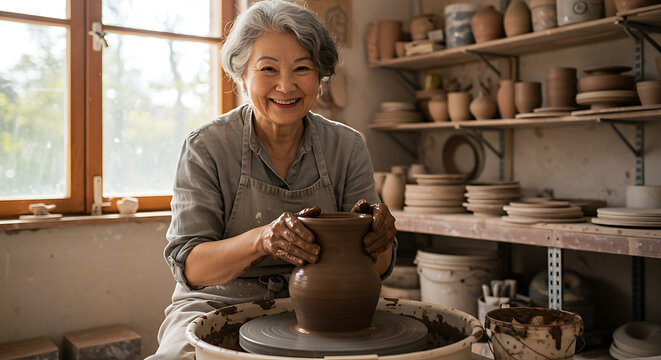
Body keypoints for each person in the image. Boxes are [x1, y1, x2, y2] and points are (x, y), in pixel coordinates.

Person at [147, 1, 397, 358]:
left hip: (322, 307)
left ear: (320, 77)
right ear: (241, 75)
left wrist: (380, 240)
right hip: (216, 305)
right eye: (268, 68)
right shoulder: (207, 146)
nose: (285, 85)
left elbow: (378, 267)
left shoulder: (347, 145)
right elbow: (191, 267)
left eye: (302, 68)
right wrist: (262, 240)